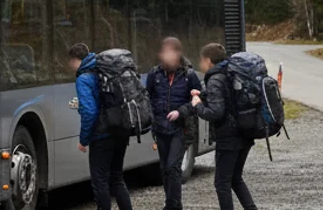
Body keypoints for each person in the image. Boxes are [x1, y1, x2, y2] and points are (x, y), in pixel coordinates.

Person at [192, 43, 257, 210]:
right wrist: (204, 96)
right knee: (236, 178)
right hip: (246, 132)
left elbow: (216, 112)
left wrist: (198, 105)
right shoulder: (231, 73)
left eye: (201, 60)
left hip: (228, 137)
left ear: (207, 60)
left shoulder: (215, 79)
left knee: (222, 183)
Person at [70, 43, 133, 210]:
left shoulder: (83, 78)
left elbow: (89, 112)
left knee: (100, 181)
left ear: (76, 60)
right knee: (117, 178)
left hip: (102, 136)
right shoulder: (105, 71)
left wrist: (83, 140)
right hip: (121, 129)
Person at [146, 37, 202, 210]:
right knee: (164, 169)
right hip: (160, 129)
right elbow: (147, 97)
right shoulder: (154, 74)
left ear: (178, 54)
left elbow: (199, 101)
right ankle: (175, 205)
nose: (165, 57)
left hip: (181, 128)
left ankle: (171, 205)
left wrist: (181, 112)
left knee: (173, 167)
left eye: (169, 52)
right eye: (164, 52)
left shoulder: (189, 76)